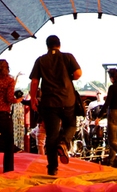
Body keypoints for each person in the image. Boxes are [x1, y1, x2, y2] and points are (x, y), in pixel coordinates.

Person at [30, 34, 81, 176]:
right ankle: (64, 142)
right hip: (67, 100)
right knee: (71, 125)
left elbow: (34, 82)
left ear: (47, 46)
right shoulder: (68, 57)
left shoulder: (41, 60)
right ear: (59, 45)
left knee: (51, 135)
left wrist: (33, 99)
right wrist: (69, 77)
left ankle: (52, 168)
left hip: (49, 102)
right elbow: (78, 73)